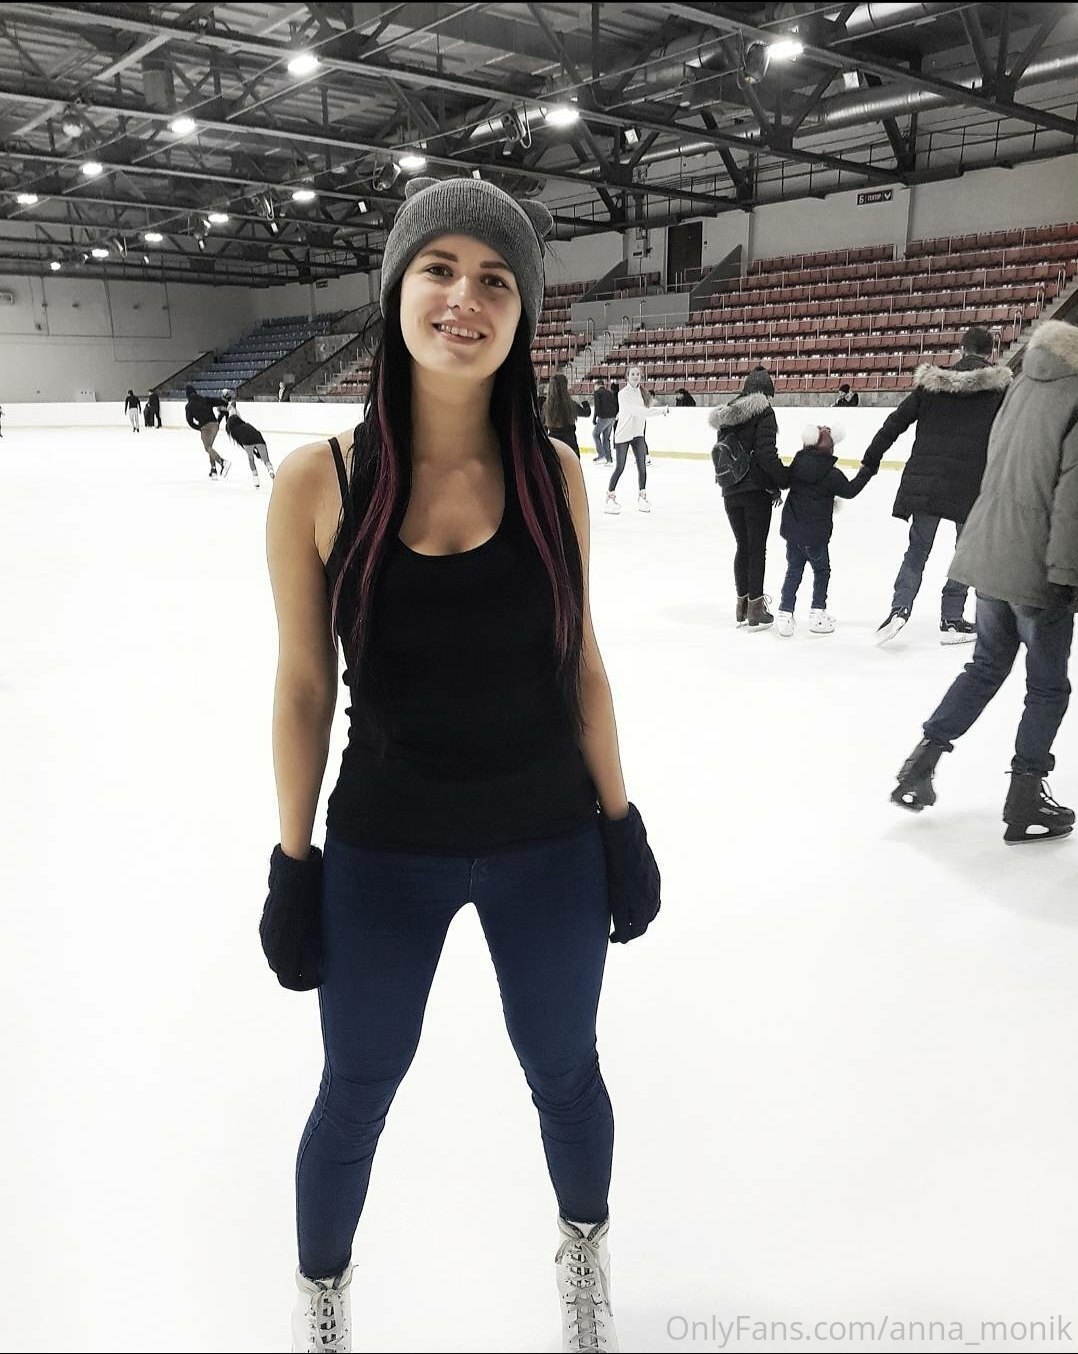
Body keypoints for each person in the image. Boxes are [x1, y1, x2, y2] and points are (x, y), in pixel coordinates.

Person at [262, 175, 661, 1354]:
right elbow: (302, 688)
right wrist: (294, 860)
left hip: (548, 842)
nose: (464, 298)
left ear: (522, 314)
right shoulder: (318, 480)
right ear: (396, 289)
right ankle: (322, 1295)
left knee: (566, 1072)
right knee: (355, 1088)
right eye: (438, 268)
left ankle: (582, 1253)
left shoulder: (554, 473)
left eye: (495, 280)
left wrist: (620, 821)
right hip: (385, 851)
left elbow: (581, 663)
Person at [891, 319, 1078, 844]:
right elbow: (1072, 496)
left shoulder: (1019, 386)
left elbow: (995, 463)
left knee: (987, 666)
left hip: (990, 550)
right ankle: (1025, 797)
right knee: (1047, 686)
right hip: (1037, 564)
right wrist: (1065, 578)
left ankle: (922, 760)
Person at [863, 326, 1012, 646]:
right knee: (965, 554)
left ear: (962, 350)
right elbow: (1015, 435)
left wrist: (871, 459)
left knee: (917, 549)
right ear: (990, 353)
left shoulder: (931, 385)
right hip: (970, 484)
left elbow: (894, 424)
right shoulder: (998, 391)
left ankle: (900, 607)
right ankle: (952, 617)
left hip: (926, 482)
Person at [775, 422, 874, 637]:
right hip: (816, 537)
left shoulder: (797, 466)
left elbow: (783, 479)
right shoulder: (832, 474)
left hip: (793, 532)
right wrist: (867, 471)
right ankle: (817, 613)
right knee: (821, 572)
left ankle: (784, 613)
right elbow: (850, 491)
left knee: (793, 571)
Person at [708, 366, 788, 629]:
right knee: (756, 549)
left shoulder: (728, 414)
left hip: (730, 490)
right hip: (755, 492)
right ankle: (756, 608)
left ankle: (741, 606)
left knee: (742, 546)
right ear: (766, 392)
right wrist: (782, 481)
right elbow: (766, 455)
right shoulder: (765, 413)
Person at [606, 366, 668, 515]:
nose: (635, 376)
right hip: (623, 434)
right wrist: (660, 411)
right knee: (620, 467)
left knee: (642, 466)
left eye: (638, 374)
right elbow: (637, 412)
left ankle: (642, 496)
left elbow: (643, 411)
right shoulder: (623, 394)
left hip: (638, 434)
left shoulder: (643, 393)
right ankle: (610, 497)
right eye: (632, 374)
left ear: (641, 376)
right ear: (627, 376)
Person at [184, 384, 229, 479]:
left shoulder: (189, 406)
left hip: (205, 427)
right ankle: (213, 470)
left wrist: (199, 428)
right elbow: (217, 401)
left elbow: (190, 421)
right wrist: (225, 403)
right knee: (210, 447)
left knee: (207, 448)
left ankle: (222, 462)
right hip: (215, 424)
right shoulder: (204, 399)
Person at [541, 372, 591, 456]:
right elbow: (587, 413)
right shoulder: (571, 404)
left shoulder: (546, 406)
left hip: (554, 445)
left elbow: (543, 427)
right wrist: (585, 402)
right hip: (570, 445)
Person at [225, 411, 276, 488]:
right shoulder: (247, 424)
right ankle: (270, 470)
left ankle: (256, 480)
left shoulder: (234, 431)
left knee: (251, 459)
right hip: (259, 439)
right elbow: (257, 433)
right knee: (266, 460)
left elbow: (241, 442)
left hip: (246, 442)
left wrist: (254, 453)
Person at [592, 378, 617, 464]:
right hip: (612, 417)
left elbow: (597, 406)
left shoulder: (597, 393)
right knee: (606, 438)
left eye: (595, 386)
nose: (594, 388)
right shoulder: (609, 392)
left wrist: (595, 418)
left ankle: (602, 455)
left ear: (598, 385)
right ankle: (609, 459)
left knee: (595, 434)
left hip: (604, 417)